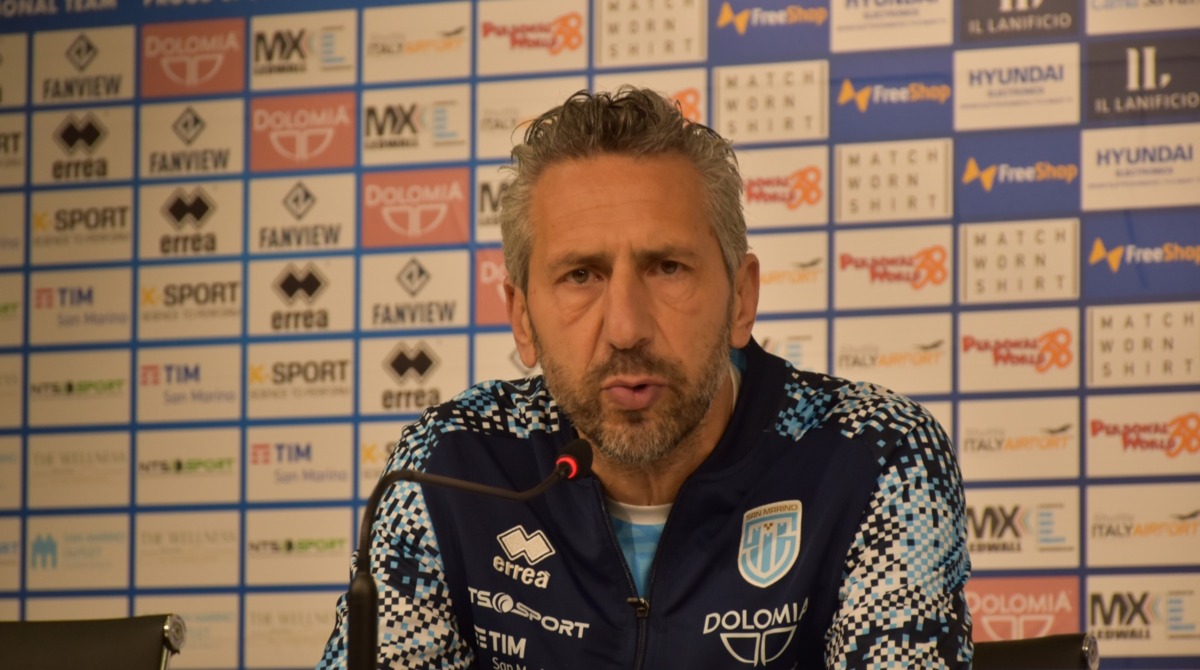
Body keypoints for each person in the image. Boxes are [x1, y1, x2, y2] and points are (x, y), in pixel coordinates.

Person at [317, 87, 972, 669]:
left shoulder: (873, 453)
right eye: (581, 275)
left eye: (667, 268)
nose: (626, 328)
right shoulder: (453, 464)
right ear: (522, 318)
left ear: (741, 299)